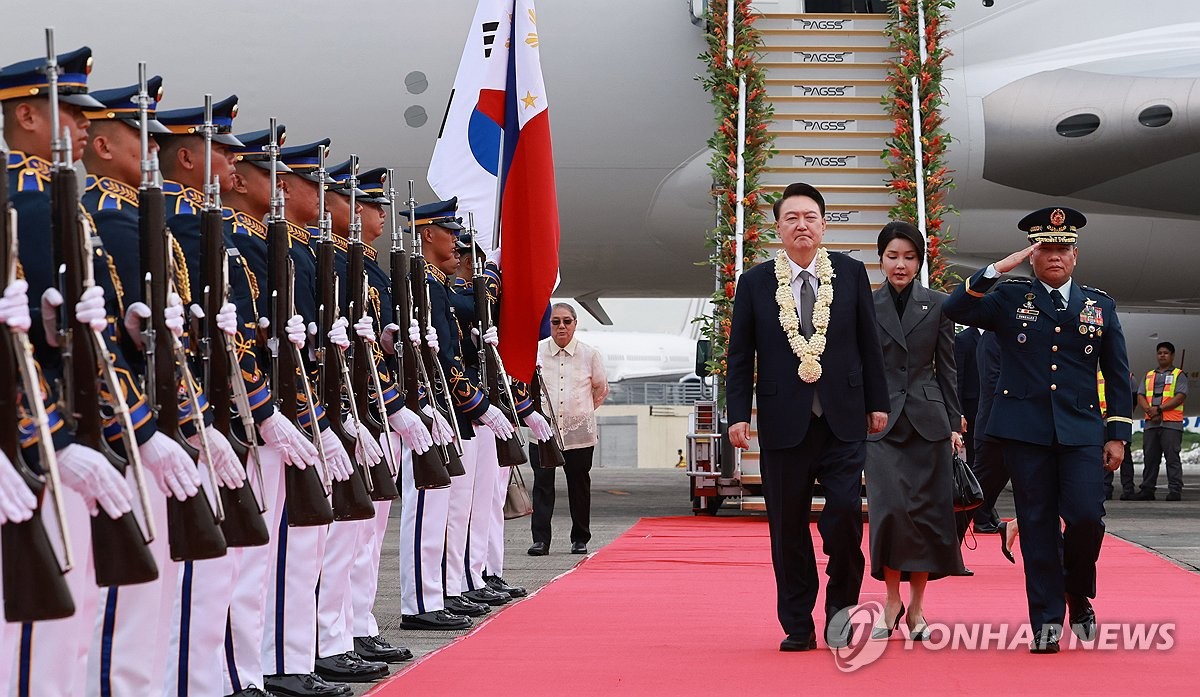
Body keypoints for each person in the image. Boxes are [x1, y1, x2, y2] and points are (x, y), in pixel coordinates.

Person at [944, 206, 1133, 654]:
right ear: (1033, 254)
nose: (1055, 255)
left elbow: (1118, 373)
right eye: (1045, 247)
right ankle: (1046, 623)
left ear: (1075, 255)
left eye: (1063, 247)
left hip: (1081, 431)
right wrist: (995, 270)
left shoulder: (1098, 305)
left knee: (1087, 517)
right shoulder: (1009, 298)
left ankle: (1075, 592)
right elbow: (953, 307)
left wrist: (1118, 434)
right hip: (1024, 433)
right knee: (1037, 525)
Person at [726, 182, 888, 652]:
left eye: (810, 217)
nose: (802, 225)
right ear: (778, 227)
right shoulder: (756, 282)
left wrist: (877, 402)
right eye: (791, 217)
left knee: (842, 517)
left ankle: (840, 615)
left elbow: (868, 343)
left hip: (843, 418)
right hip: (783, 422)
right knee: (788, 527)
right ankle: (798, 622)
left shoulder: (851, 272)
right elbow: (740, 356)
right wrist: (738, 415)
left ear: (823, 224)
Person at [865, 221, 966, 642]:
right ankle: (891, 601)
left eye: (909, 257)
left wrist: (955, 423)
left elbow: (948, 368)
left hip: (928, 421)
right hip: (881, 423)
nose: (900, 264)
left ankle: (918, 610)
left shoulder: (939, 305)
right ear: (881, 259)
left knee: (925, 516)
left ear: (920, 261)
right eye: (893, 256)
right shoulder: (866, 304)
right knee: (888, 513)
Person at [528, 302, 608, 556]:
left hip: (578, 433)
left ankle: (580, 538)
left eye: (566, 321)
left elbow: (600, 389)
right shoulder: (536, 352)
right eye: (555, 322)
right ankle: (541, 540)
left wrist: (581, 411)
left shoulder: (589, 354)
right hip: (543, 431)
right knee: (542, 486)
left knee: (579, 485)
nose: (561, 326)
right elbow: (526, 388)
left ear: (575, 324)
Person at [1135, 342, 1187, 501]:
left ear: (1172, 356)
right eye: (1160, 353)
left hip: (1171, 424)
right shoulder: (1149, 374)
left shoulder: (1179, 375)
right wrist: (1150, 411)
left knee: (1172, 459)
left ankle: (1175, 490)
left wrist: (1159, 409)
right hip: (1151, 423)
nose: (1162, 355)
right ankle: (1147, 489)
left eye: (1165, 353)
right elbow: (1140, 395)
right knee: (1150, 458)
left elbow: (1180, 396)